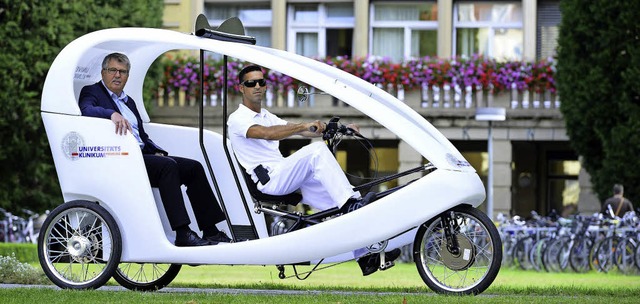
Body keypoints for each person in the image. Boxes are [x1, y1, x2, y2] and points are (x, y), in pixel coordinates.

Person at [227, 64, 400, 276]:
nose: (257, 86)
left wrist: (337, 128)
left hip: (285, 175)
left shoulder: (266, 115)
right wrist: (302, 126)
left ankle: (366, 257)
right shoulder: (237, 119)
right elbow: (268, 134)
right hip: (270, 180)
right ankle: (353, 208)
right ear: (241, 88)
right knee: (317, 154)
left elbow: (304, 131)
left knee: (341, 201)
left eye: (261, 82)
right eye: (250, 83)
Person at [79, 52, 230, 247]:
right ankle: (182, 233)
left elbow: (142, 136)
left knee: (193, 167)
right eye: (113, 70)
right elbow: (86, 109)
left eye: (123, 72)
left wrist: (156, 150)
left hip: (141, 155)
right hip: (118, 159)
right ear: (103, 72)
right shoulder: (92, 92)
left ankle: (210, 230)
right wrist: (111, 114)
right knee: (167, 167)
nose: (117, 75)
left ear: (127, 76)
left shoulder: (128, 101)